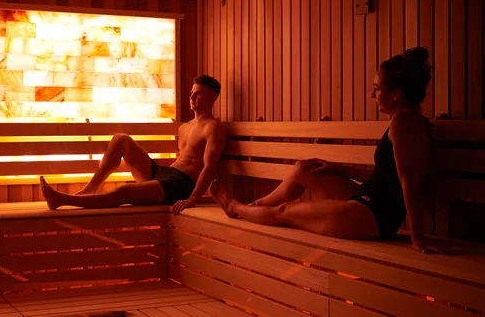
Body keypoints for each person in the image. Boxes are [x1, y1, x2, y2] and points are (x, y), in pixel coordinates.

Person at [209, 47, 440, 254]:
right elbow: (387, 175)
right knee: (304, 169)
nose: (373, 96)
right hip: (370, 197)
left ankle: (235, 207)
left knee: (284, 211)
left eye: (376, 89)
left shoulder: (403, 124)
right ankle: (257, 206)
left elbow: (408, 182)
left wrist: (417, 238)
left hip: (374, 216)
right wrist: (338, 169)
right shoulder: (408, 122)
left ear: (396, 94)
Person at [41, 75, 226, 214]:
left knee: (123, 191)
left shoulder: (213, 128)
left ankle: (62, 199)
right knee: (121, 139)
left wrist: (193, 198)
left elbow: (209, 167)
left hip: (180, 185)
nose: (192, 97)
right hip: (165, 175)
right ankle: (89, 189)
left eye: (198, 94)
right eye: (191, 93)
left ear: (211, 99)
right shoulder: (184, 127)